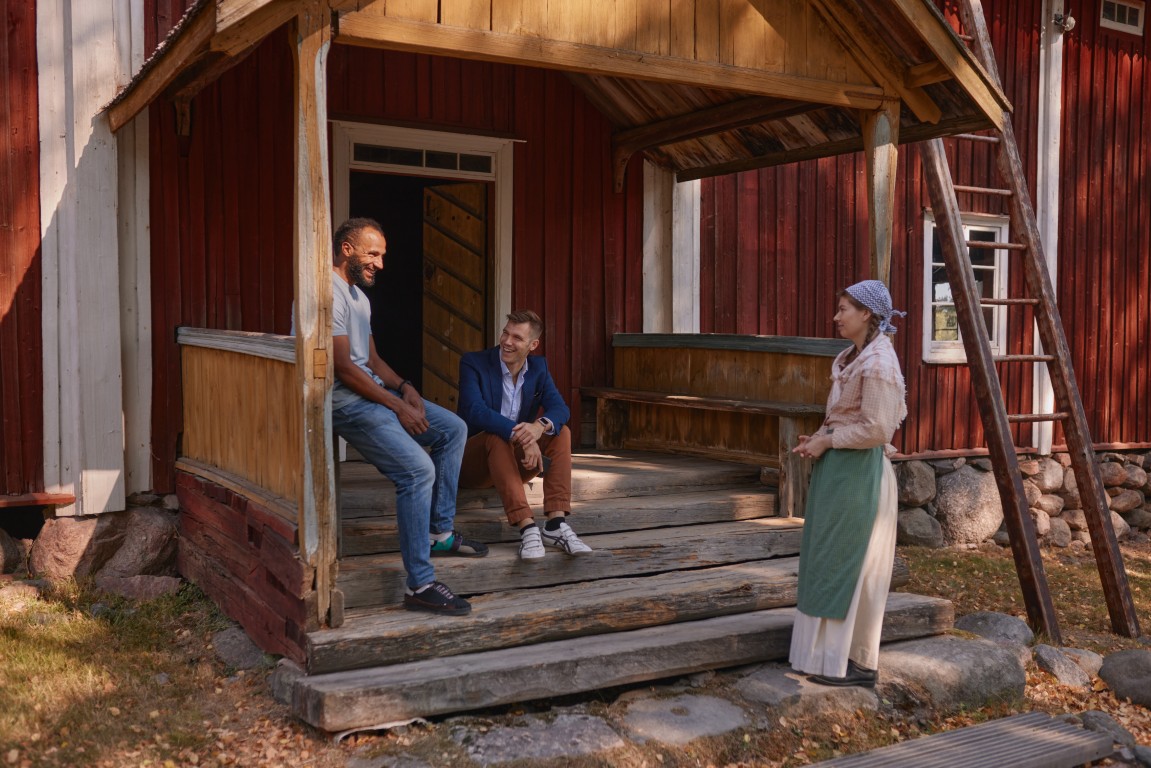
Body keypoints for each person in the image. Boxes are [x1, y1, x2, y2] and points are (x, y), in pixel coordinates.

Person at [328, 217, 488, 616]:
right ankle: (420, 584)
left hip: (375, 395)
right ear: (347, 249)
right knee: (417, 471)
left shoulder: (359, 297)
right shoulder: (326, 292)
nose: (380, 264)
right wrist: (396, 406)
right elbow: (343, 368)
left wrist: (404, 387)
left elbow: (371, 360)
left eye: (382, 255)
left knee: (453, 428)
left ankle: (439, 532)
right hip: (346, 404)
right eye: (373, 254)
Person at [788, 279, 908, 688]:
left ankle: (857, 663)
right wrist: (820, 437)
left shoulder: (879, 363)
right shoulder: (854, 357)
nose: (836, 317)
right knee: (827, 558)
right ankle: (822, 657)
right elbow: (849, 417)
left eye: (844, 309)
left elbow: (877, 428)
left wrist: (829, 440)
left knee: (854, 567)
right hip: (840, 471)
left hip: (861, 476)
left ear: (867, 314)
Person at [457, 310, 593, 560]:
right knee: (496, 435)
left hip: (511, 465)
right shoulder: (474, 363)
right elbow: (474, 411)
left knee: (561, 432)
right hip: (472, 465)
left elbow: (560, 409)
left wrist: (538, 427)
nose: (507, 341)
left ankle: (555, 524)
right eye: (505, 333)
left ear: (533, 345)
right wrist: (523, 436)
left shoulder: (538, 368)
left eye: (517, 338)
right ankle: (527, 526)